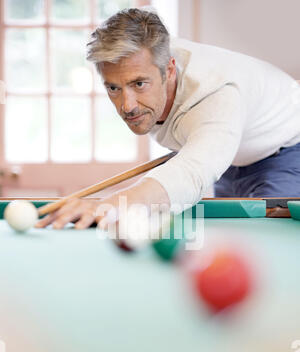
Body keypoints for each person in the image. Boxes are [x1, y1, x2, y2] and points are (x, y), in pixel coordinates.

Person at [36, 8, 300, 230]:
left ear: (169, 70)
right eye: (113, 88)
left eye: (139, 84)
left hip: (287, 148)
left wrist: (112, 205)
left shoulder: (217, 93)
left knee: (267, 241)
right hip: (230, 159)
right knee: (233, 237)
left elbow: (192, 172)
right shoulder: (147, 52)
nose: (127, 106)